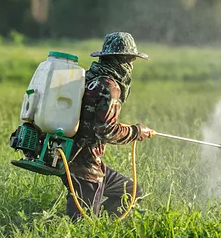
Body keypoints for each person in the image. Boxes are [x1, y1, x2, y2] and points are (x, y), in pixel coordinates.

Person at [65, 32, 156, 220]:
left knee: (131, 192)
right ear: (123, 60)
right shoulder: (110, 86)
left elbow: (92, 119)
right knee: (81, 224)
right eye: (130, 59)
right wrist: (136, 131)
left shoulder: (89, 78)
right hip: (85, 165)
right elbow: (105, 130)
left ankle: (103, 225)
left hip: (70, 155)